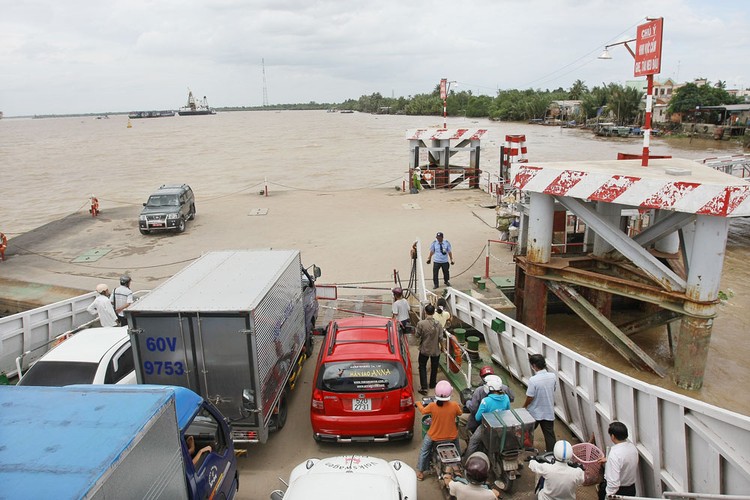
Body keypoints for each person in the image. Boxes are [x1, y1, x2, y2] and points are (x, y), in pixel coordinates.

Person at [415, 380, 463, 481]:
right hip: (451, 437)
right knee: (457, 451)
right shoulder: (454, 405)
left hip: (434, 436)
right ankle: (458, 468)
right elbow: (460, 413)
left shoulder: (432, 406)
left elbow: (423, 411)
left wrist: (418, 403)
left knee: (424, 451)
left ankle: (420, 471)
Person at [464, 375, 511, 457]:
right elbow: (507, 412)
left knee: (473, 441)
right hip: (501, 426)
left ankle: (466, 461)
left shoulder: (486, 401)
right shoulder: (506, 397)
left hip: (487, 427)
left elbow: (477, 417)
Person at [465, 366, 515, 434]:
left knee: (473, 442)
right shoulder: (505, 392)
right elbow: (509, 405)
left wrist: (467, 402)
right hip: (500, 420)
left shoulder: (482, 396)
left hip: (484, 423)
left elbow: (474, 410)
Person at [523, 354, 557, 453]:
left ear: (534, 365)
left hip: (535, 412)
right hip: (548, 411)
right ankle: (552, 453)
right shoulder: (552, 376)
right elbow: (553, 389)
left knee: (527, 431)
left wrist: (525, 406)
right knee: (549, 434)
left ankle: (527, 448)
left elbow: (530, 397)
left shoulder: (533, 380)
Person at [598, 421, 638, 499]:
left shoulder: (614, 455)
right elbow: (626, 461)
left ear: (613, 436)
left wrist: (607, 496)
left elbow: (613, 483)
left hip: (618, 491)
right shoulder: (632, 448)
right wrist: (608, 460)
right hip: (631, 489)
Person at [415, 303, 442, 395]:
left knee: (422, 366)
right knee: (434, 367)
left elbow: (417, 335)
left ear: (425, 312)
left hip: (424, 349)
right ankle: (432, 384)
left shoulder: (421, 323)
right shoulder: (438, 324)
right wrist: (443, 348)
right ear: (433, 312)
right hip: (435, 349)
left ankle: (424, 387)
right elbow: (441, 338)